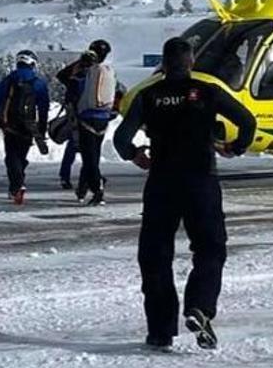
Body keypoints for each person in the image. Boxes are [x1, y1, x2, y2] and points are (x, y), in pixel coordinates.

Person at [114, 37, 257, 351]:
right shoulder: (208, 92)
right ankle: (200, 306)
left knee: (155, 256)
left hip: (162, 183)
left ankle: (160, 331)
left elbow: (121, 138)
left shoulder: (148, 96)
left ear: (164, 65)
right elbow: (247, 121)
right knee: (210, 249)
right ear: (191, 62)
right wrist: (235, 147)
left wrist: (134, 154)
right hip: (200, 180)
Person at [0, 50, 50, 205]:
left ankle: (16, 186)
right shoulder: (38, 82)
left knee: (11, 156)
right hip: (29, 125)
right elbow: (43, 108)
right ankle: (18, 182)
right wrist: (41, 129)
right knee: (21, 155)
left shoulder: (9, 79)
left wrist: (1, 120)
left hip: (10, 124)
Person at [74, 39, 118, 206]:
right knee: (93, 156)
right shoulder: (108, 71)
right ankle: (84, 187)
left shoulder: (86, 71)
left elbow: (70, 84)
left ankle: (96, 187)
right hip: (103, 118)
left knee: (88, 157)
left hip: (86, 118)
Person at [54, 49, 96, 190]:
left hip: (75, 116)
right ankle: (90, 177)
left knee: (73, 146)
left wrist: (77, 64)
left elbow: (61, 75)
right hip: (88, 117)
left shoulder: (74, 78)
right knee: (89, 149)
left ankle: (65, 176)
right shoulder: (93, 79)